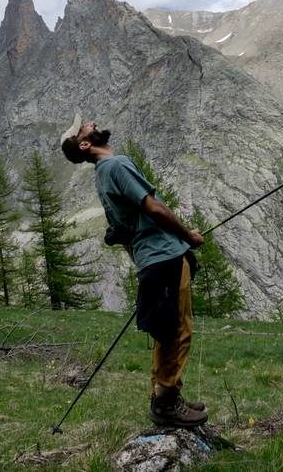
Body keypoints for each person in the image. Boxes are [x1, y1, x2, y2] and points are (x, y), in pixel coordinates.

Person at [60, 114, 208, 427]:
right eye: (84, 127)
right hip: (165, 255)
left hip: (151, 259)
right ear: (85, 144)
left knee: (164, 331)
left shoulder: (102, 176)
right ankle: (166, 403)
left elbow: (122, 229)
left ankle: (165, 395)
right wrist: (189, 237)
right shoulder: (116, 166)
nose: (90, 122)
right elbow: (153, 207)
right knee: (178, 332)